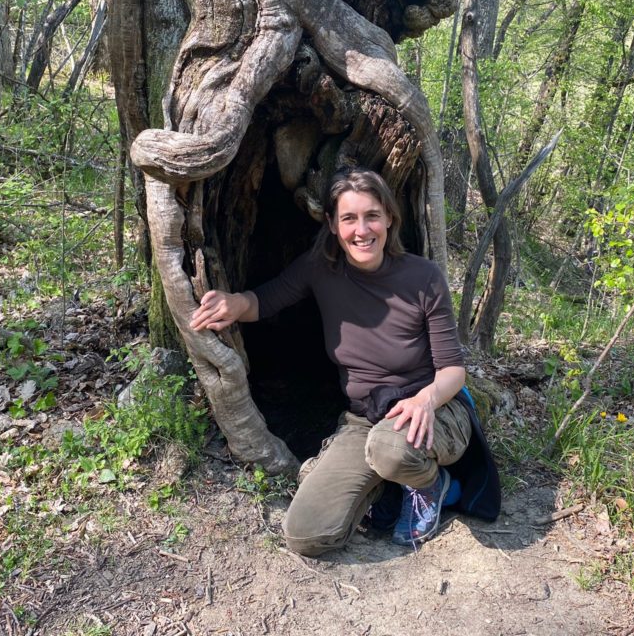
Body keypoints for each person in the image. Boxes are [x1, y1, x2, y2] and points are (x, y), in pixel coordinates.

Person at [190, 166, 499, 556]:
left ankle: (430, 484)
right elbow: (264, 301)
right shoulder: (320, 268)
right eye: (349, 218)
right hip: (365, 418)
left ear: (389, 217)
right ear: (334, 226)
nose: (362, 229)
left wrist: (427, 400)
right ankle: (386, 484)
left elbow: (453, 370)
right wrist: (232, 303)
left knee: (390, 449)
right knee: (305, 534)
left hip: (431, 411)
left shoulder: (424, 277)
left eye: (372, 215)